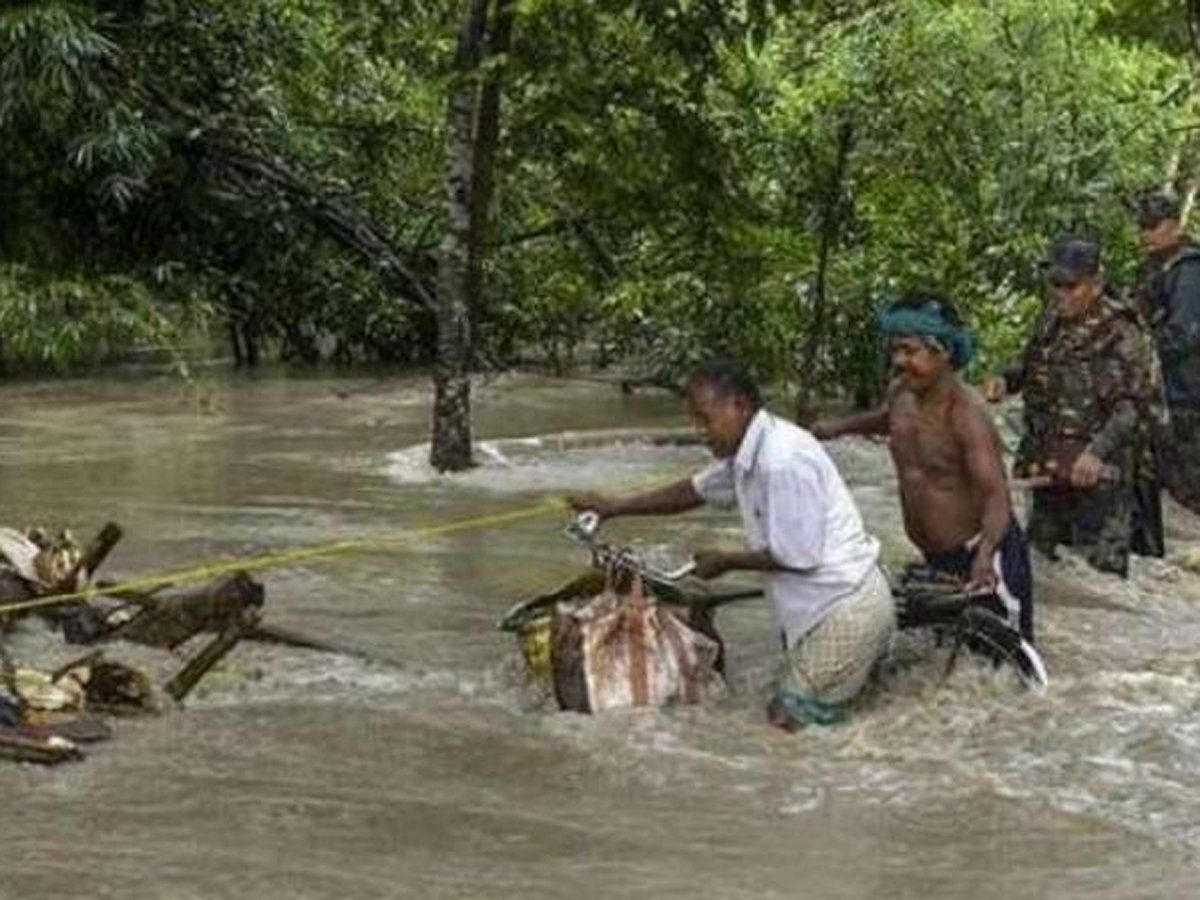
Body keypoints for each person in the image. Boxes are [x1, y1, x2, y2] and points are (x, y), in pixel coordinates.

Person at [569, 358, 893, 730]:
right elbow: (693, 491)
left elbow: (798, 555)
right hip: (832, 604)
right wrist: (614, 507)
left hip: (845, 608)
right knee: (824, 720)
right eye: (694, 420)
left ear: (739, 406)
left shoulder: (780, 459)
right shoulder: (748, 452)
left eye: (705, 419)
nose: (700, 431)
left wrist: (727, 561)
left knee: (786, 720)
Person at [811, 293, 1034, 642]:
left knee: (1002, 662)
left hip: (983, 554)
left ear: (943, 351)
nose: (899, 360)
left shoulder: (966, 416)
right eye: (896, 349)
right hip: (936, 556)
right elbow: (890, 420)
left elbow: (996, 497)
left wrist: (986, 555)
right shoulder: (901, 392)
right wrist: (835, 429)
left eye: (910, 351)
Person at [984, 236, 1159, 577]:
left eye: (1071, 286)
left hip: (1099, 479)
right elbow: (1029, 363)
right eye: (1055, 284)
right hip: (1049, 469)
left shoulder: (1122, 331)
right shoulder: (1051, 320)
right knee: (1042, 570)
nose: (1061, 294)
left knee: (1099, 582)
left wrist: (1096, 453)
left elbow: (1133, 406)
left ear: (1096, 284)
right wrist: (1005, 381)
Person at [1133, 192, 1200, 517]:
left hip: (1186, 398)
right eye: (1141, 225)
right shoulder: (1155, 267)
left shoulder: (1187, 269)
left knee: (1189, 494)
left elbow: (1184, 333)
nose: (1145, 233)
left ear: (1173, 225)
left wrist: (1140, 353)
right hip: (1161, 398)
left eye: (1152, 225)